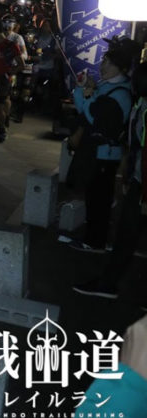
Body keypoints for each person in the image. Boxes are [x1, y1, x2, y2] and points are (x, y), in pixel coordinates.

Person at [74, 60, 147, 305]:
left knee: (123, 230)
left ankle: (107, 281)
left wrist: (84, 94)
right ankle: (107, 281)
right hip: (137, 178)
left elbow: (90, 114)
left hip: (139, 181)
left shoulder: (126, 97)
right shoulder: (138, 102)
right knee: (125, 234)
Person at [68, 36, 137, 253]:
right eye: (104, 61)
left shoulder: (119, 94)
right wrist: (86, 90)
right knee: (96, 197)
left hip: (105, 155)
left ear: (122, 68)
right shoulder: (112, 87)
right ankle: (93, 237)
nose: (103, 66)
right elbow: (91, 110)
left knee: (98, 199)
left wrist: (82, 92)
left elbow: (90, 114)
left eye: (109, 63)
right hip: (101, 153)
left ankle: (94, 241)